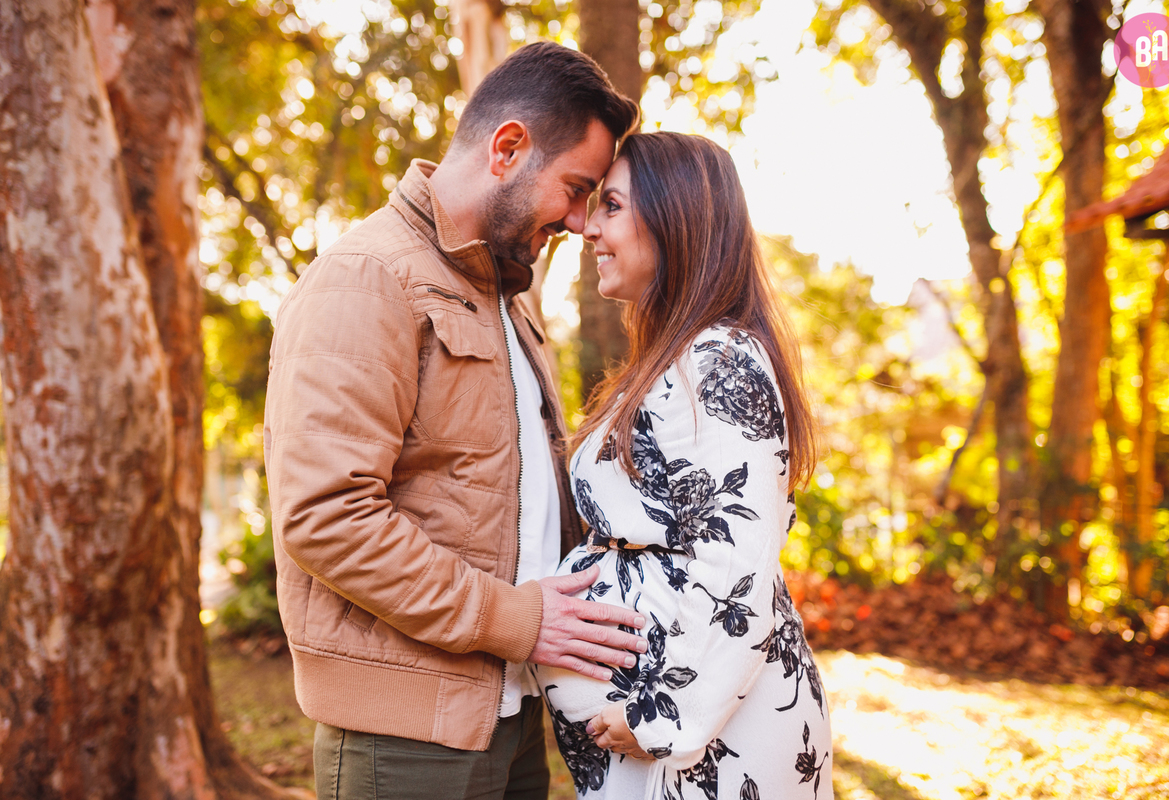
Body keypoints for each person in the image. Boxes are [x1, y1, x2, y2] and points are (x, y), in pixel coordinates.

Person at [263, 42, 645, 800]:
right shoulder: (368, 277)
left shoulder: (506, 299)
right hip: (404, 737)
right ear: (508, 148)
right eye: (573, 189)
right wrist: (514, 620)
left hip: (509, 713)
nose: (577, 221)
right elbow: (326, 515)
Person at [532, 132, 834, 800]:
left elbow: (737, 562)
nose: (586, 226)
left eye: (611, 205)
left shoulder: (719, 362)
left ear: (675, 220)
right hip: (670, 746)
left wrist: (663, 716)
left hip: (711, 743)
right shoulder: (675, 361)